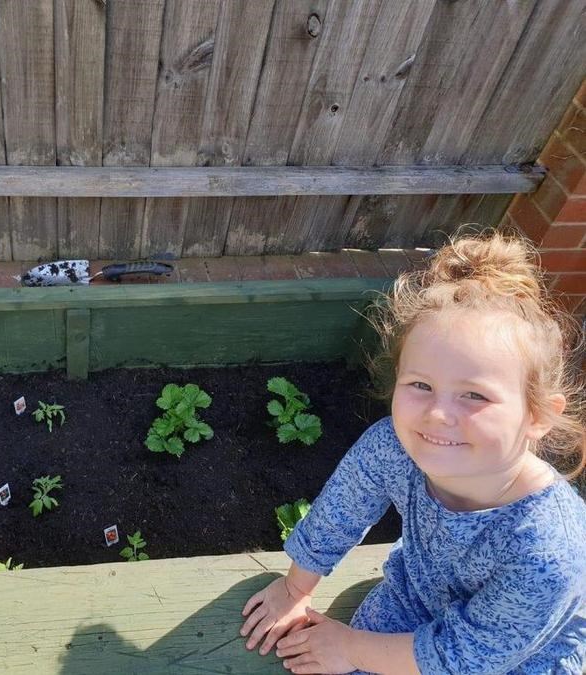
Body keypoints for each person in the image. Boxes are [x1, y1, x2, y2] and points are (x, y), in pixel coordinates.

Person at [240, 229, 586, 674]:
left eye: (474, 395)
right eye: (421, 385)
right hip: (416, 598)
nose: (438, 414)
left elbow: (468, 657)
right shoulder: (395, 446)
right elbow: (339, 512)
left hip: (520, 656)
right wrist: (295, 589)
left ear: (538, 415)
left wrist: (350, 647)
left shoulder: (549, 550)